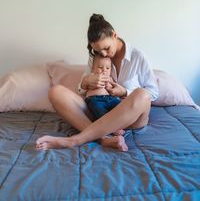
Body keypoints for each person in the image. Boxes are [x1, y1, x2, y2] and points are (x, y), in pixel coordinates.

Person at [36, 14, 159, 152]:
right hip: (98, 111)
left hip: (129, 119)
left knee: (142, 94)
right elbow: (82, 91)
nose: (104, 54)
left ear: (114, 35)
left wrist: (124, 92)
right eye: (98, 51)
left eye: (106, 48)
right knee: (56, 91)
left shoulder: (137, 56)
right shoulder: (96, 57)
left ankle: (75, 140)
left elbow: (153, 93)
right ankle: (104, 139)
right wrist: (85, 82)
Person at [85, 54, 125, 137]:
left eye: (107, 68)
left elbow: (112, 89)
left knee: (120, 105)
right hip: (95, 99)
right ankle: (112, 128)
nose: (104, 70)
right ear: (93, 68)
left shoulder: (109, 78)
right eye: (100, 67)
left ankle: (121, 123)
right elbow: (87, 86)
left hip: (110, 98)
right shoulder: (92, 77)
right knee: (99, 110)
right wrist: (94, 83)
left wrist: (108, 86)